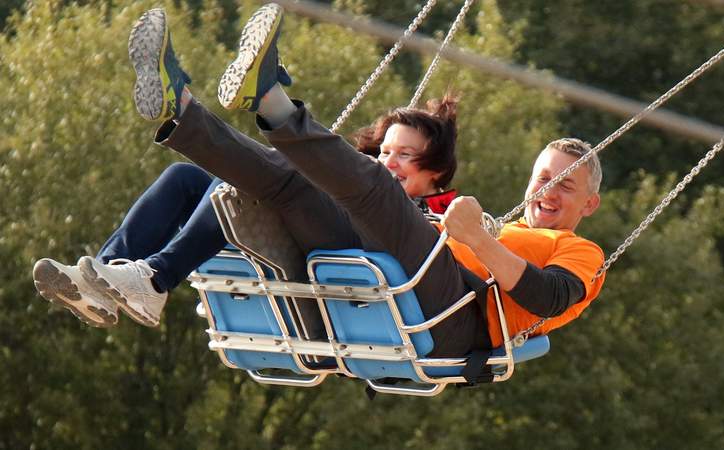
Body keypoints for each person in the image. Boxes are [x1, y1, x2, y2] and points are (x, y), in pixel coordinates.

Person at [111, 3, 606, 357]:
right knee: (292, 184)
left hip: (456, 314)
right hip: (397, 272)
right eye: (545, 177)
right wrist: (476, 234)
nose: (549, 190)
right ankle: (184, 113)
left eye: (566, 184)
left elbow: (547, 297)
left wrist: (475, 237)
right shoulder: (504, 229)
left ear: (589, 205)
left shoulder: (582, 254)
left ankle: (270, 102)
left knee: (377, 187)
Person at [31, 10, 461, 330]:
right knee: (183, 180)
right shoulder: (358, 186)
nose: (389, 162)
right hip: (312, 228)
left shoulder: (435, 223)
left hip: (354, 257)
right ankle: (101, 279)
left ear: (435, 175)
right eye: (385, 151)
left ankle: (155, 278)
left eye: (405, 155)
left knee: (246, 182)